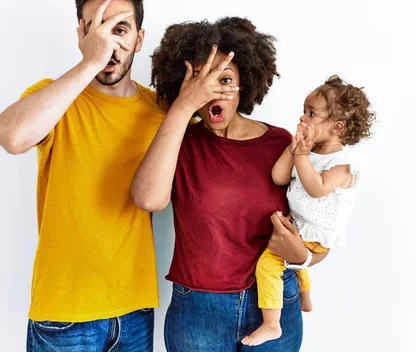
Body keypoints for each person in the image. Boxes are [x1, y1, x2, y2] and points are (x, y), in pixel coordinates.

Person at [0, 0, 166, 352]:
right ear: (82, 36)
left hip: (135, 309)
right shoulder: (52, 97)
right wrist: (90, 62)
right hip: (64, 313)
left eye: (120, 28)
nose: (109, 43)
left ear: (139, 39)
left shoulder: (159, 111)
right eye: (97, 29)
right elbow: (12, 136)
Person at [132, 17, 318, 351]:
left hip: (274, 303)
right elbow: (148, 199)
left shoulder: (281, 143)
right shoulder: (178, 142)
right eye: (201, 82)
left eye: (226, 79)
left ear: (245, 82)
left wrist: (302, 257)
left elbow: (318, 214)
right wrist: (183, 106)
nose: (215, 90)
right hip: (199, 310)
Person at [242, 75, 375, 346]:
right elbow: (279, 176)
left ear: (337, 127)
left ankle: (271, 324)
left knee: (268, 264)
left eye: (312, 113)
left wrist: (302, 155)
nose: (303, 118)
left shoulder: (342, 162)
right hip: (300, 228)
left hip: (317, 232)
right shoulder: (305, 151)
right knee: (292, 263)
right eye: (303, 111)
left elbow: (317, 188)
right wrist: (295, 149)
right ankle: (304, 297)